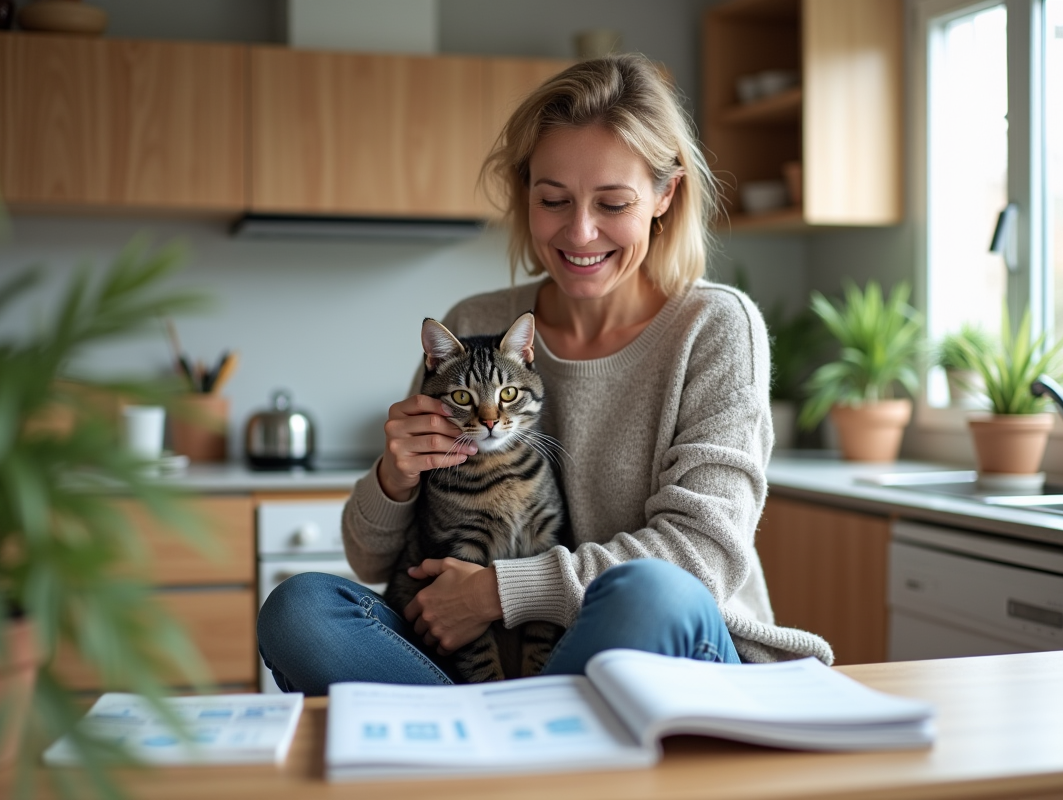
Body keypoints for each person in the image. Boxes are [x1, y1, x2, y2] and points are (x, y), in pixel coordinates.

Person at [257, 53, 833, 694]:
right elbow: (370, 558)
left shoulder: (716, 326)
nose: (580, 232)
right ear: (525, 194)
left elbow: (704, 558)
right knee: (300, 610)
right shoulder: (477, 323)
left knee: (650, 592)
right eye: (553, 199)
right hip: (495, 663)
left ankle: (490, 730)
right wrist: (395, 475)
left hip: (666, 640)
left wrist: (498, 593)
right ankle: (522, 727)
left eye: (612, 202)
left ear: (664, 195)